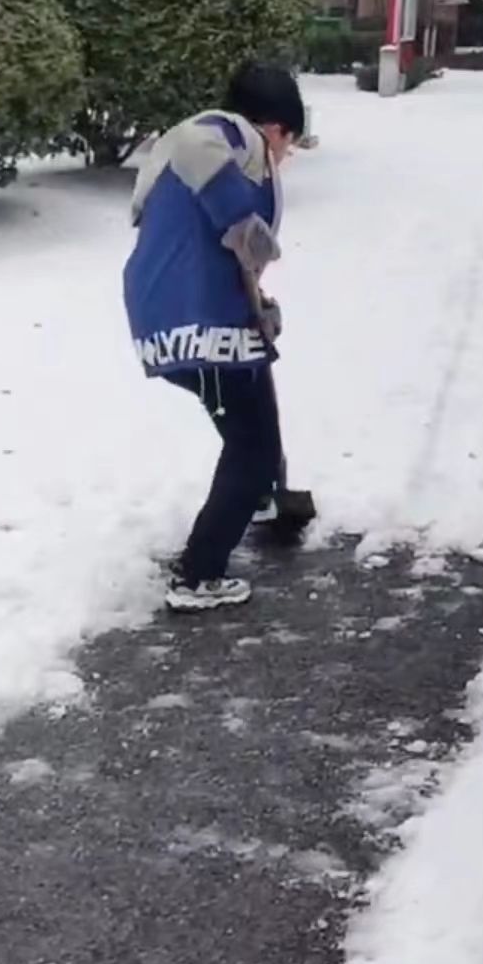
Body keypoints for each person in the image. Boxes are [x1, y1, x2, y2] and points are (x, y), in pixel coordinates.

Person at [123, 61, 305, 613]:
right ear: (274, 128)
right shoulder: (219, 137)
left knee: (253, 411)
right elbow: (241, 228)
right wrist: (258, 265)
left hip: (176, 315)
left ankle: (267, 498)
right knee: (251, 448)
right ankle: (198, 575)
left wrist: (259, 307)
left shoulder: (199, 144)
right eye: (288, 144)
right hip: (200, 320)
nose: (283, 157)